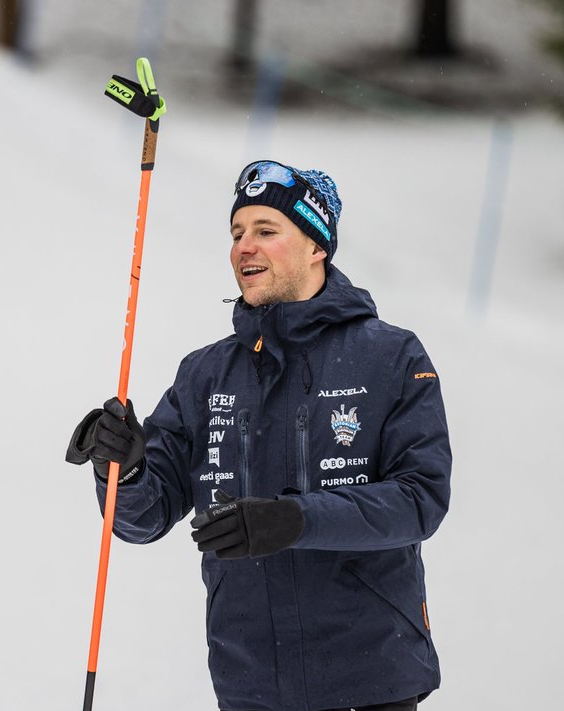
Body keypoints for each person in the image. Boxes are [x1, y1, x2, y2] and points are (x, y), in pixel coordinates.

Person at [66, 160, 451, 711]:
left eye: (266, 231)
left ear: (317, 246)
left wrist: (296, 519)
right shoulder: (205, 375)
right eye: (237, 233)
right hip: (251, 685)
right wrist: (124, 470)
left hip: (369, 679)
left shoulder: (390, 356)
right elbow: (142, 520)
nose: (244, 247)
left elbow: (421, 501)